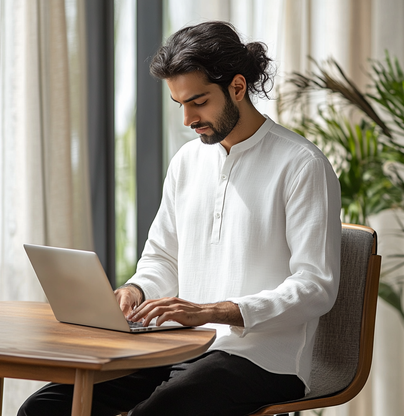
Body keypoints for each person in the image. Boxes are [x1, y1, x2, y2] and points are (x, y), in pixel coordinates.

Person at [18, 21, 341, 416]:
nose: (188, 119)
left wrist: (213, 311)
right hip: (173, 345)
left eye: (199, 101)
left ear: (237, 87)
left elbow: (316, 287)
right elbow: (162, 259)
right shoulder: (187, 161)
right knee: (46, 406)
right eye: (180, 104)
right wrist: (134, 291)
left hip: (259, 358)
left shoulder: (301, 164)